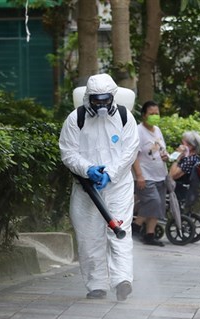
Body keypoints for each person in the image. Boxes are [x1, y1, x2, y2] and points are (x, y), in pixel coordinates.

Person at [59, 73, 139, 301]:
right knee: (89, 236)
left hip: (118, 186)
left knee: (120, 233)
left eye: (105, 100)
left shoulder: (125, 117)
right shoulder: (76, 119)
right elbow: (68, 152)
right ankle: (97, 285)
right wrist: (88, 170)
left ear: (112, 97)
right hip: (86, 189)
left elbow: (129, 151)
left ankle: (122, 280)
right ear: (88, 98)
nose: (101, 105)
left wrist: (110, 174)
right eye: (97, 101)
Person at [133, 101, 169, 247]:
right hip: (145, 175)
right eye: (151, 114)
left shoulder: (157, 130)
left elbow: (161, 149)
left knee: (158, 205)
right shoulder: (138, 131)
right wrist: (139, 175)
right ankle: (134, 227)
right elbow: (133, 155)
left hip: (160, 174)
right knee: (153, 201)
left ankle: (150, 234)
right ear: (143, 115)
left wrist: (165, 156)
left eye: (157, 114)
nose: (155, 116)